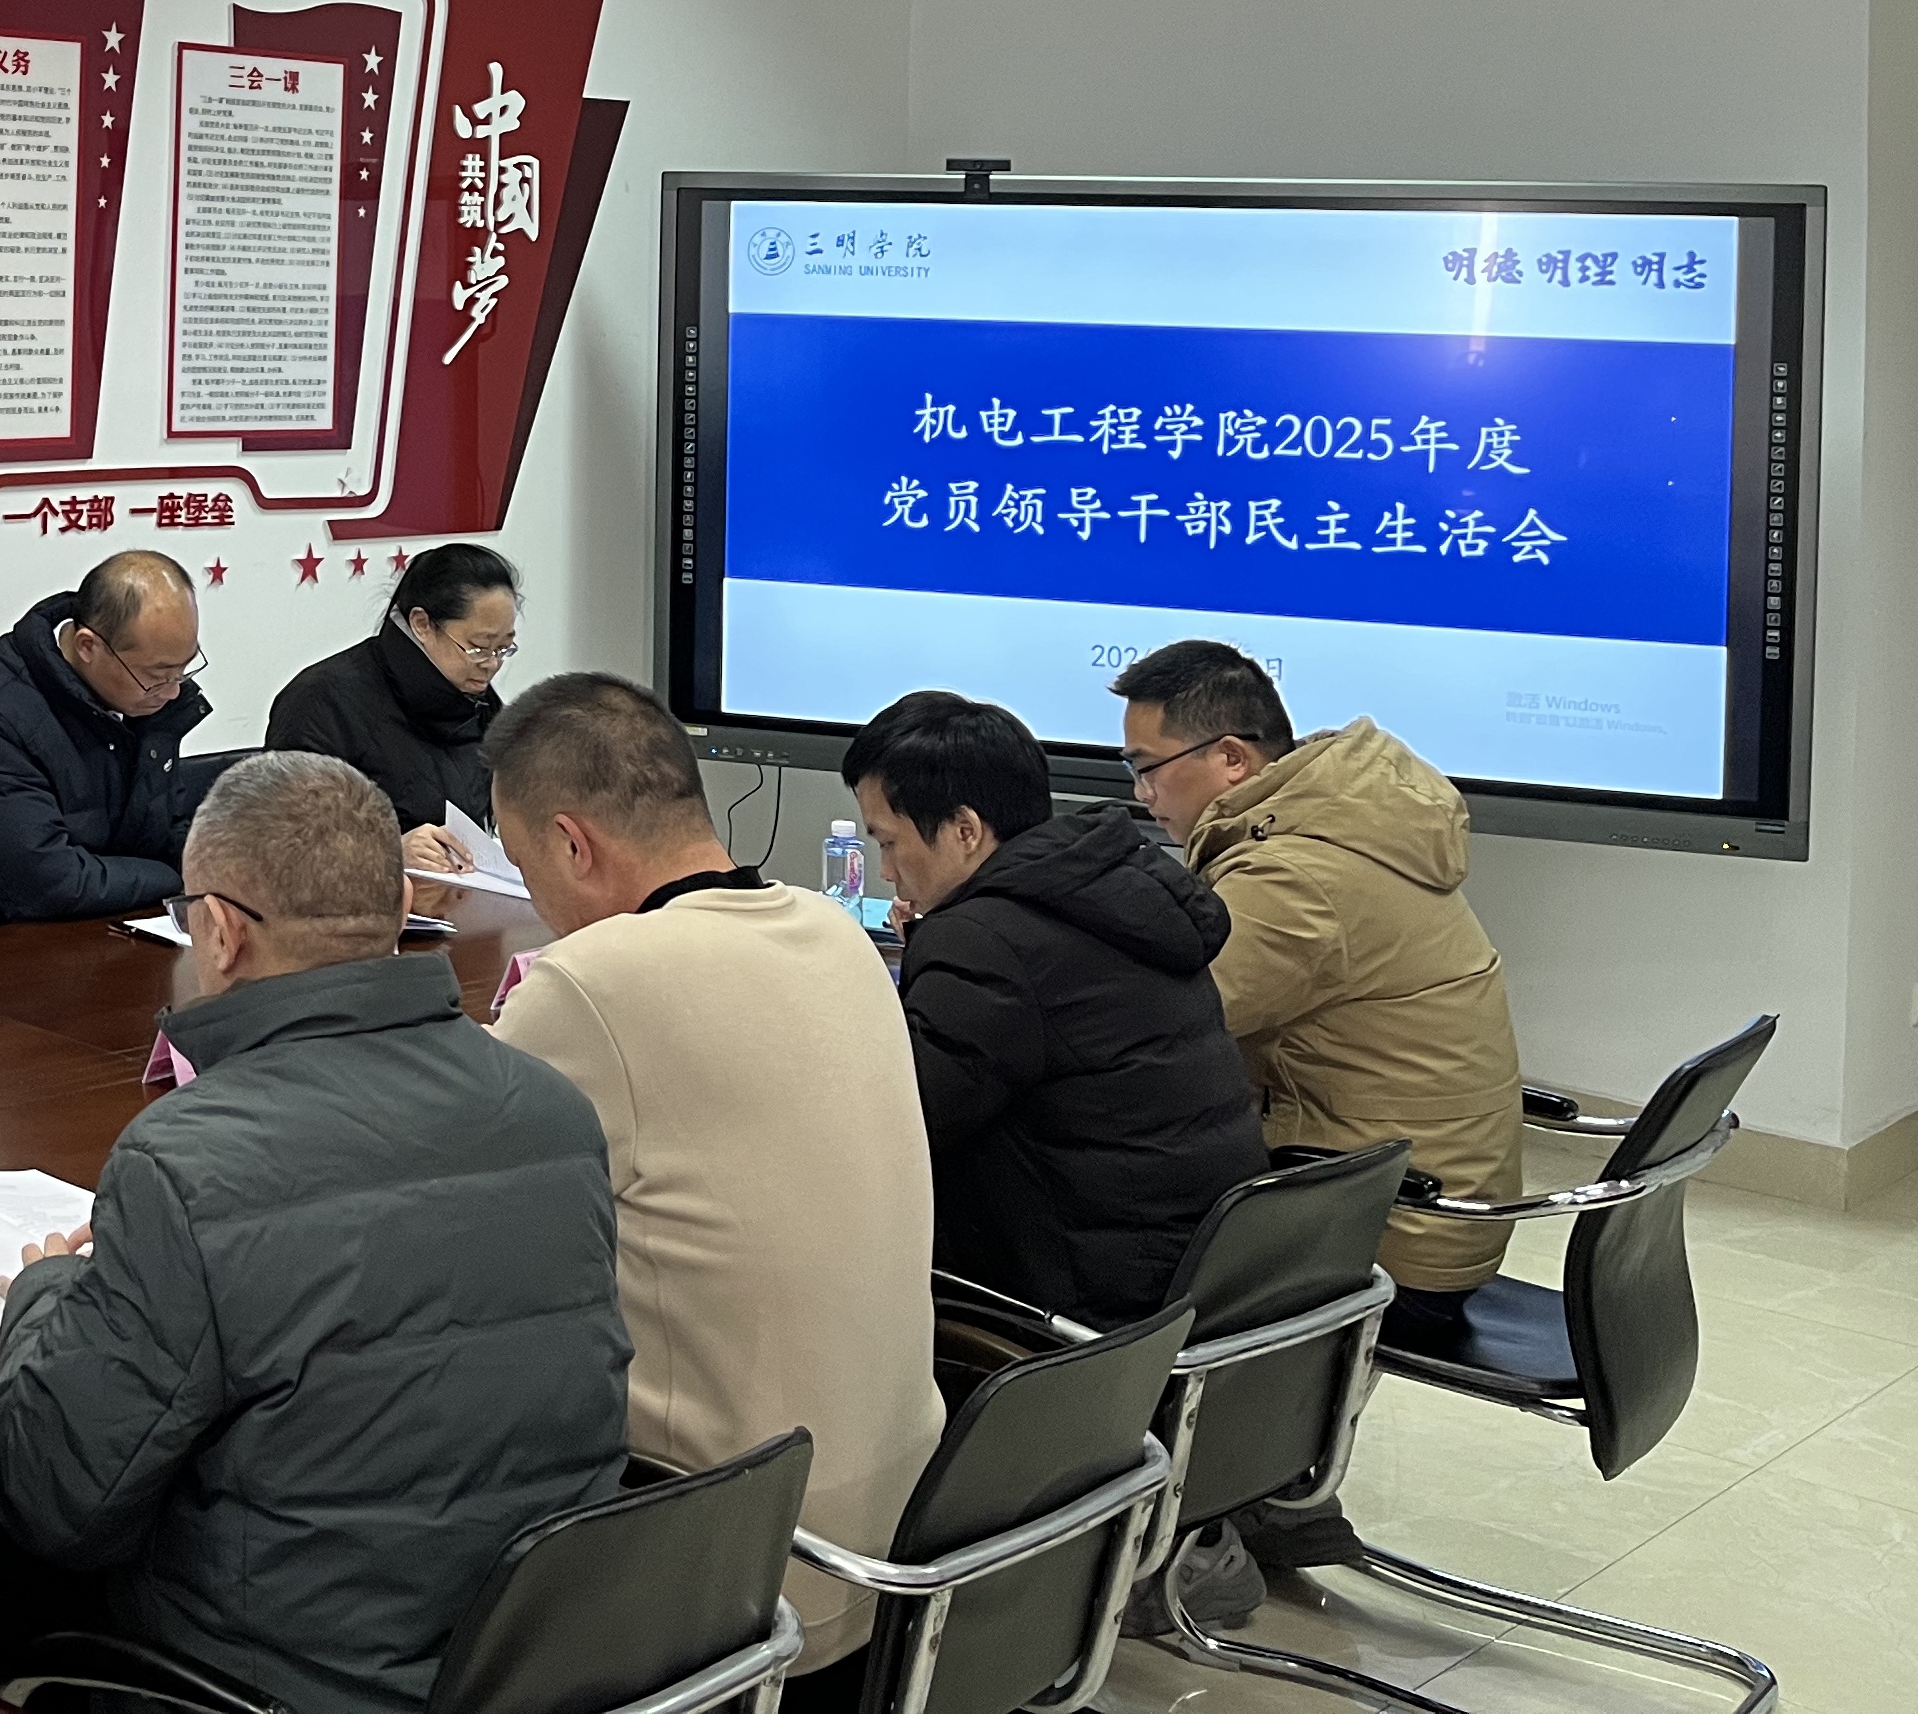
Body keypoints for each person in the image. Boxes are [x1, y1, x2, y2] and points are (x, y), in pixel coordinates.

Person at [0, 751, 629, 1714]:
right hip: (544, 1661)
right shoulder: (552, 1108)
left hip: (288, 1680)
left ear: (220, 931)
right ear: (400, 902)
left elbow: (56, 1501)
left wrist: (44, 1299)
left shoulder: (185, 1163)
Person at [484, 675, 940, 1690]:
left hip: (728, 1570)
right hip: (901, 1537)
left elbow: (445, 1212)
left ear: (571, 844)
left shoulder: (594, 981)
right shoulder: (839, 931)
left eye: (521, 863)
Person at [1116, 641, 1525, 1348]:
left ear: (1231, 758)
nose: (1140, 794)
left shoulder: (1297, 878)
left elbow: (1160, 1025)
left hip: (1389, 1241)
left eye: (1146, 767)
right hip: (1425, 1205)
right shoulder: (1341, 829)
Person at [845, 692, 1269, 1329]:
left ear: (964, 831)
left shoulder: (984, 941)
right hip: (1205, 1277)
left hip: (1086, 1317)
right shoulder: (1114, 892)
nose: (885, 872)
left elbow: (896, 1131)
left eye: (888, 841)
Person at [0, 549, 216, 921]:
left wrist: (215, 867)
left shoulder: (142, 701)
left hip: (117, 919)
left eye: (184, 670)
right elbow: (49, 886)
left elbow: (166, 826)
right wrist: (178, 878)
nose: (173, 691)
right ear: (87, 646)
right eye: (157, 676)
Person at [265, 542, 523, 872]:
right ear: (422, 624)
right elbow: (286, 844)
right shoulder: (321, 702)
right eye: (479, 647)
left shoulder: (477, 700)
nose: (492, 664)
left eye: (504, 648)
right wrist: (388, 852)